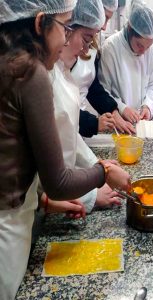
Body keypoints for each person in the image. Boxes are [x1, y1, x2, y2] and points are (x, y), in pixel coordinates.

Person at [0, 1, 130, 298]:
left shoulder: (7, 61)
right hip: (6, 227)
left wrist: (44, 202)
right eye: (64, 26)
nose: (64, 38)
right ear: (39, 23)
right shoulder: (29, 72)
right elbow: (57, 182)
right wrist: (104, 171)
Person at [44, 0, 122, 215]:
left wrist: (96, 164)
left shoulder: (61, 72)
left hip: (53, 196)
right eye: (86, 39)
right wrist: (93, 186)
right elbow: (40, 170)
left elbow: (68, 134)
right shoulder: (41, 79)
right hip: (27, 208)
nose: (86, 48)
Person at [71, 0, 136, 137]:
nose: (105, 26)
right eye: (105, 17)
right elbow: (60, 110)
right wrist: (93, 123)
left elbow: (94, 89)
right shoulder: (63, 52)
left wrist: (114, 111)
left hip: (77, 128)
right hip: (70, 124)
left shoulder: (91, 47)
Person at [98, 1, 153, 123]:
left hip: (141, 121)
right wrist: (122, 108)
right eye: (139, 45)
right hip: (116, 120)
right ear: (129, 30)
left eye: (147, 47)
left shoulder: (152, 52)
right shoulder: (111, 47)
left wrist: (147, 106)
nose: (143, 52)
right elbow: (103, 91)